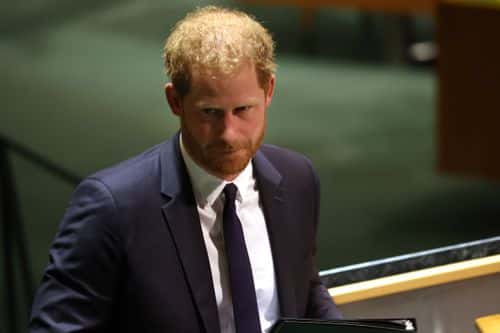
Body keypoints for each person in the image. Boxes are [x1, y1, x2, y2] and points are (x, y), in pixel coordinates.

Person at [29, 6, 341, 333]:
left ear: (269, 92)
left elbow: (304, 290)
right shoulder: (112, 208)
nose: (228, 134)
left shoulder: (297, 179)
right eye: (210, 113)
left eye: (243, 110)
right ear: (175, 102)